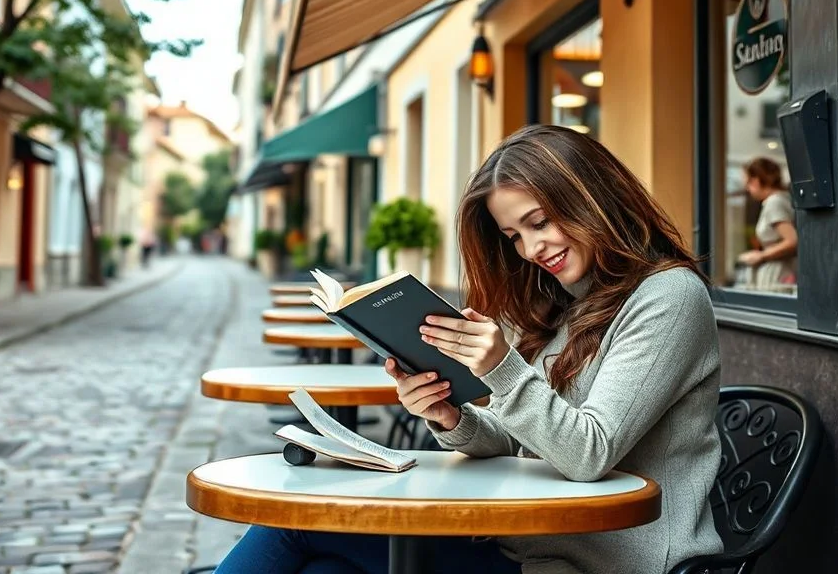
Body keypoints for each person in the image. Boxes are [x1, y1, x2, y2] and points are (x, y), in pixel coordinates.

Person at [214, 125, 723, 574]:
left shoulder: (669, 297)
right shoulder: (570, 303)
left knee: (297, 526)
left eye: (539, 222)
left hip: (606, 563)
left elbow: (588, 452)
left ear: (592, 199)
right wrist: (453, 418)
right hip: (527, 549)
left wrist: (502, 368)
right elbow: (520, 441)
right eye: (513, 235)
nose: (529, 249)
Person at [737, 157, 797, 293]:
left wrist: (761, 256)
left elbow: (792, 241)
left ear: (758, 180)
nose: (747, 188)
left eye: (749, 182)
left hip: (778, 274)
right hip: (781, 272)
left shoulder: (774, 202)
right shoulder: (783, 199)